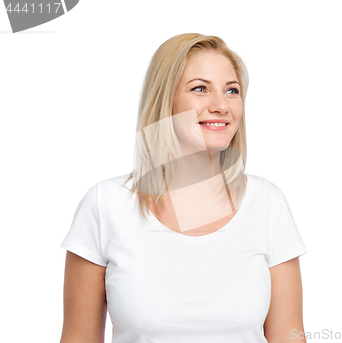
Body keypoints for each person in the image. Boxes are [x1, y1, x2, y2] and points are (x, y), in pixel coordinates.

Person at [59, 33, 308, 343]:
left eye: (232, 90)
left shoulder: (268, 205)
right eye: (200, 89)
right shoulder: (106, 205)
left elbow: (290, 338)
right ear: (165, 100)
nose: (221, 105)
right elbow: (78, 337)